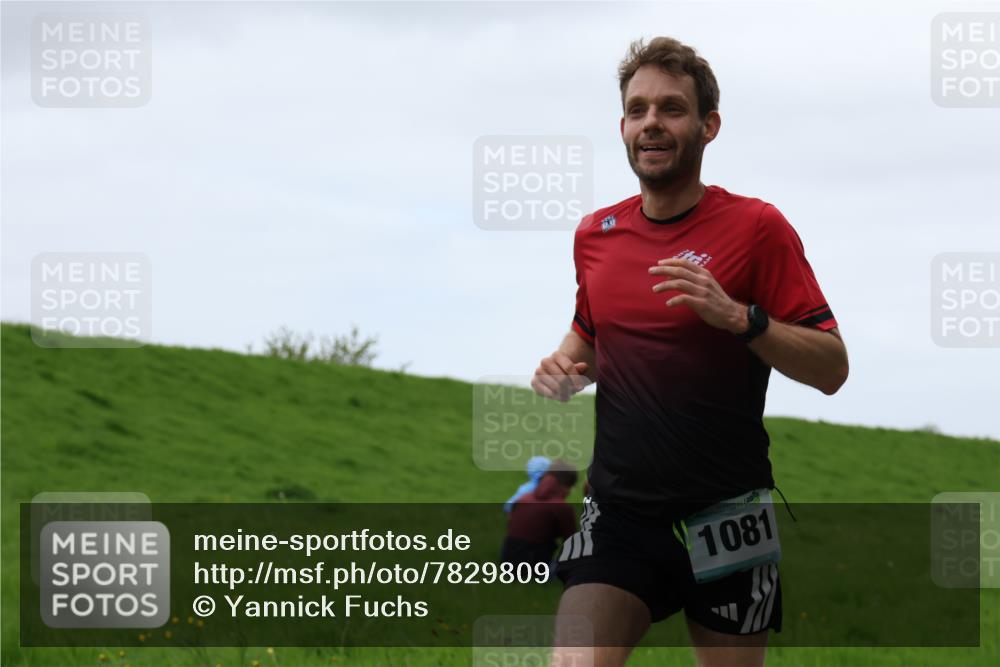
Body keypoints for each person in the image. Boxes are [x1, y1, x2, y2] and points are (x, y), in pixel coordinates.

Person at [531, 37, 849, 667]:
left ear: (709, 126)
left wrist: (740, 318)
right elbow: (591, 336)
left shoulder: (759, 229)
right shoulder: (596, 234)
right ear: (622, 125)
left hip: (728, 515)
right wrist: (565, 367)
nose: (652, 122)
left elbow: (832, 368)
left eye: (671, 108)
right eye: (637, 109)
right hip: (622, 510)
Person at [500, 461, 578, 582]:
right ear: (567, 487)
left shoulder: (524, 498)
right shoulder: (562, 508)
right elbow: (572, 543)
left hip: (507, 565)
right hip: (534, 570)